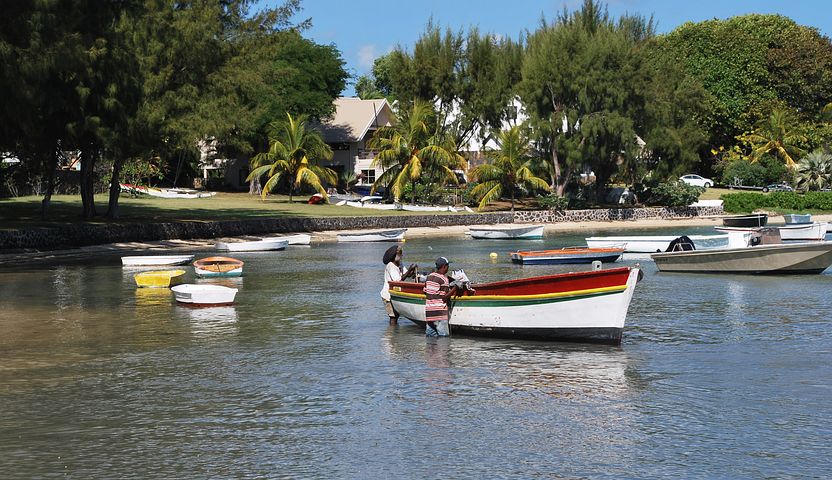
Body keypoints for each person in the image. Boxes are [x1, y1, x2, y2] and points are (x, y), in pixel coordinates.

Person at [380, 245, 417, 324]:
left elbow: (407, 274)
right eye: (400, 254)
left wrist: (413, 271)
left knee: (396, 316)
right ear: (395, 256)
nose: (402, 256)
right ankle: (391, 334)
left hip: (394, 294)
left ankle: (394, 333)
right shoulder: (390, 266)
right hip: (388, 296)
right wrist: (410, 269)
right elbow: (398, 281)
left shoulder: (399, 264)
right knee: (393, 317)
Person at [423, 256, 457, 337]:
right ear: (444, 266)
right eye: (448, 266)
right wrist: (455, 288)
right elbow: (444, 297)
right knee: (443, 340)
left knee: (430, 341)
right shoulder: (444, 279)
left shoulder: (429, 276)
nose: (448, 268)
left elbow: (425, 291)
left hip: (429, 313)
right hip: (439, 313)